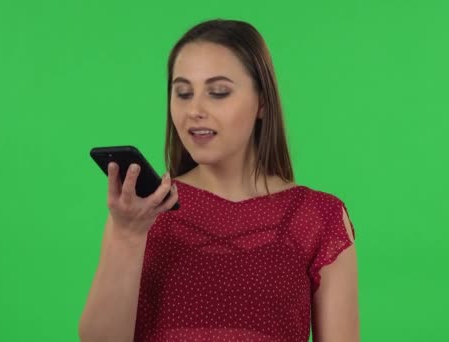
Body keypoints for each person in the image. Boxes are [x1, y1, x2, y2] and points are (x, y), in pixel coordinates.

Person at [79, 19, 359, 342]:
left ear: (262, 103)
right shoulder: (143, 211)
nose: (194, 110)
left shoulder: (319, 219)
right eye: (183, 93)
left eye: (218, 92)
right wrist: (127, 237)